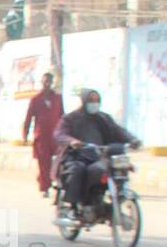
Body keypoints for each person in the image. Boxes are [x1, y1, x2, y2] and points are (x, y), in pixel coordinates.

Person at [54, 88, 141, 216]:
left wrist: (133, 139)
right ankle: (71, 204)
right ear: (84, 101)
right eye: (90, 100)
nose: (94, 103)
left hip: (99, 156)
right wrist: (72, 141)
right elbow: (59, 134)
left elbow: (118, 131)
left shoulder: (104, 118)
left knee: (114, 168)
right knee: (78, 169)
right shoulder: (71, 118)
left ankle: (111, 199)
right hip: (77, 156)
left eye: (96, 100)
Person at [22, 71, 63, 195]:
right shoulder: (36, 99)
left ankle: (51, 182)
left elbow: (63, 116)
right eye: (45, 81)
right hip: (41, 136)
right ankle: (44, 188)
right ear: (42, 82)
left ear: (52, 83)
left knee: (57, 161)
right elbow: (28, 117)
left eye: (49, 81)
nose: (47, 83)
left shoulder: (57, 98)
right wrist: (25, 134)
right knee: (43, 162)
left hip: (55, 136)